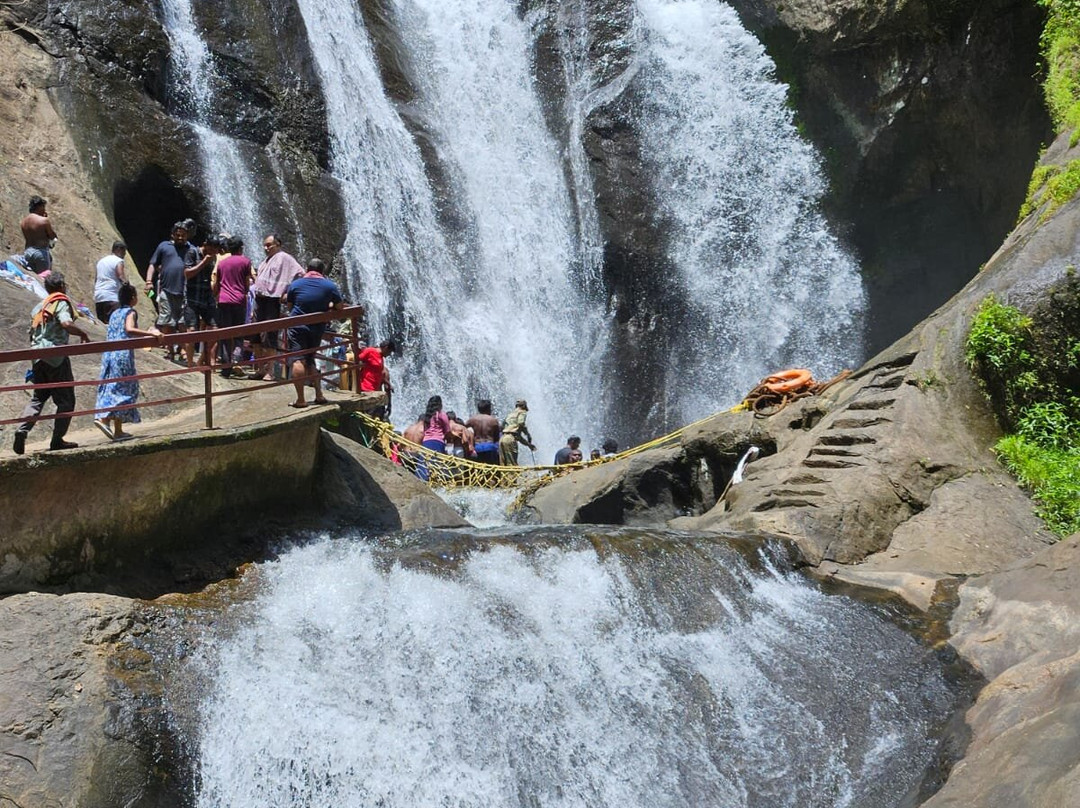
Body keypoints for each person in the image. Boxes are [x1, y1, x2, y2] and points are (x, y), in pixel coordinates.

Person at [12, 272, 90, 455]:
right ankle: (57, 440)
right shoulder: (60, 302)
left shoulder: (40, 306)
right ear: (61, 286)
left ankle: (22, 430)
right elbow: (66, 323)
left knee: (39, 397)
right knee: (66, 400)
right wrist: (82, 333)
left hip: (37, 357)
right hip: (55, 357)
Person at [94, 283, 162, 441]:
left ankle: (118, 430)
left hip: (109, 354)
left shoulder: (115, 313)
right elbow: (129, 329)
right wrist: (151, 334)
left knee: (113, 387)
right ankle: (104, 419)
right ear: (132, 298)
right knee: (126, 388)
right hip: (122, 355)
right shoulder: (130, 312)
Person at [284, 257, 343, 407]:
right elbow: (340, 307)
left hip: (297, 327)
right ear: (322, 271)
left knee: (298, 360)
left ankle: (301, 400)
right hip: (317, 328)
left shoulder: (296, 284)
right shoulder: (330, 286)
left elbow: (290, 306)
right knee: (310, 360)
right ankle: (319, 395)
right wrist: (329, 305)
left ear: (307, 269)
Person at [252, 233, 304, 379]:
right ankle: (260, 369)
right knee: (255, 335)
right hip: (259, 299)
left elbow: (300, 273)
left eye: (269, 245)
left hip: (272, 300)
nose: (266, 248)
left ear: (278, 244)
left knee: (270, 335)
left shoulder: (285, 258)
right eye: (264, 245)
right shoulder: (266, 260)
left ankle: (270, 371)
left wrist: (288, 292)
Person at [146, 222, 199, 354]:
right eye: (178, 235)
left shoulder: (192, 250)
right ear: (173, 235)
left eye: (183, 235)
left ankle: (183, 350)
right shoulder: (164, 246)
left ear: (188, 235)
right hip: (166, 290)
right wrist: (148, 282)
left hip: (185, 292)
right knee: (167, 322)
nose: (180, 237)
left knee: (183, 324)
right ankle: (170, 350)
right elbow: (153, 264)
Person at [211, 236, 252, 378]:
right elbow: (247, 283)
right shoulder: (246, 261)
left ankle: (226, 367)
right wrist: (244, 291)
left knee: (225, 335)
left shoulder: (222, 263)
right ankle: (237, 358)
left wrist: (215, 295)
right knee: (238, 333)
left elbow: (217, 283)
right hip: (239, 301)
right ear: (240, 248)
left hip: (223, 301)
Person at [183, 235, 220, 368]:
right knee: (192, 330)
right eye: (212, 248)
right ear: (205, 244)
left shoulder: (213, 257)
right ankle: (190, 363)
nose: (214, 252)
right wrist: (204, 262)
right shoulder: (192, 252)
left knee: (215, 329)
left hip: (207, 297)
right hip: (192, 297)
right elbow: (187, 273)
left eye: (216, 250)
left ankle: (202, 359)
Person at [357, 338, 396, 418]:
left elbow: (379, 374)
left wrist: (388, 384)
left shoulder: (381, 357)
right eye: (389, 352)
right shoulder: (370, 351)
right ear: (386, 348)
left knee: (375, 414)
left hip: (375, 390)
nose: (389, 355)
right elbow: (357, 360)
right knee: (368, 415)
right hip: (366, 388)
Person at [21, 196, 57, 274]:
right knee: (43, 277)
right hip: (40, 253)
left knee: (31, 278)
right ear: (39, 207)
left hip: (28, 252)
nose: (44, 210)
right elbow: (52, 236)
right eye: (43, 207)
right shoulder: (44, 220)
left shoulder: (23, 221)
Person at [93, 241, 127, 322]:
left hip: (99, 297)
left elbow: (96, 279)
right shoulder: (118, 261)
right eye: (124, 251)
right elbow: (121, 276)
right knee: (114, 323)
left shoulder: (101, 261)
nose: (124, 254)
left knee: (103, 324)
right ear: (118, 249)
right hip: (112, 297)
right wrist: (128, 286)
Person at [499, 399, 535, 466]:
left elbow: (517, 436)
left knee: (503, 465)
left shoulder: (509, 414)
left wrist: (528, 444)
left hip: (502, 439)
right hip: (510, 440)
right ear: (524, 406)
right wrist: (527, 434)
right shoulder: (522, 412)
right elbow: (521, 423)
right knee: (512, 465)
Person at [466, 399, 501, 465]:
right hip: (490, 446)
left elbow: (464, 429)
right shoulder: (493, 420)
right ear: (489, 408)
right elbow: (497, 436)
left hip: (477, 446)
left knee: (479, 468)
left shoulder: (472, 420)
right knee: (491, 468)